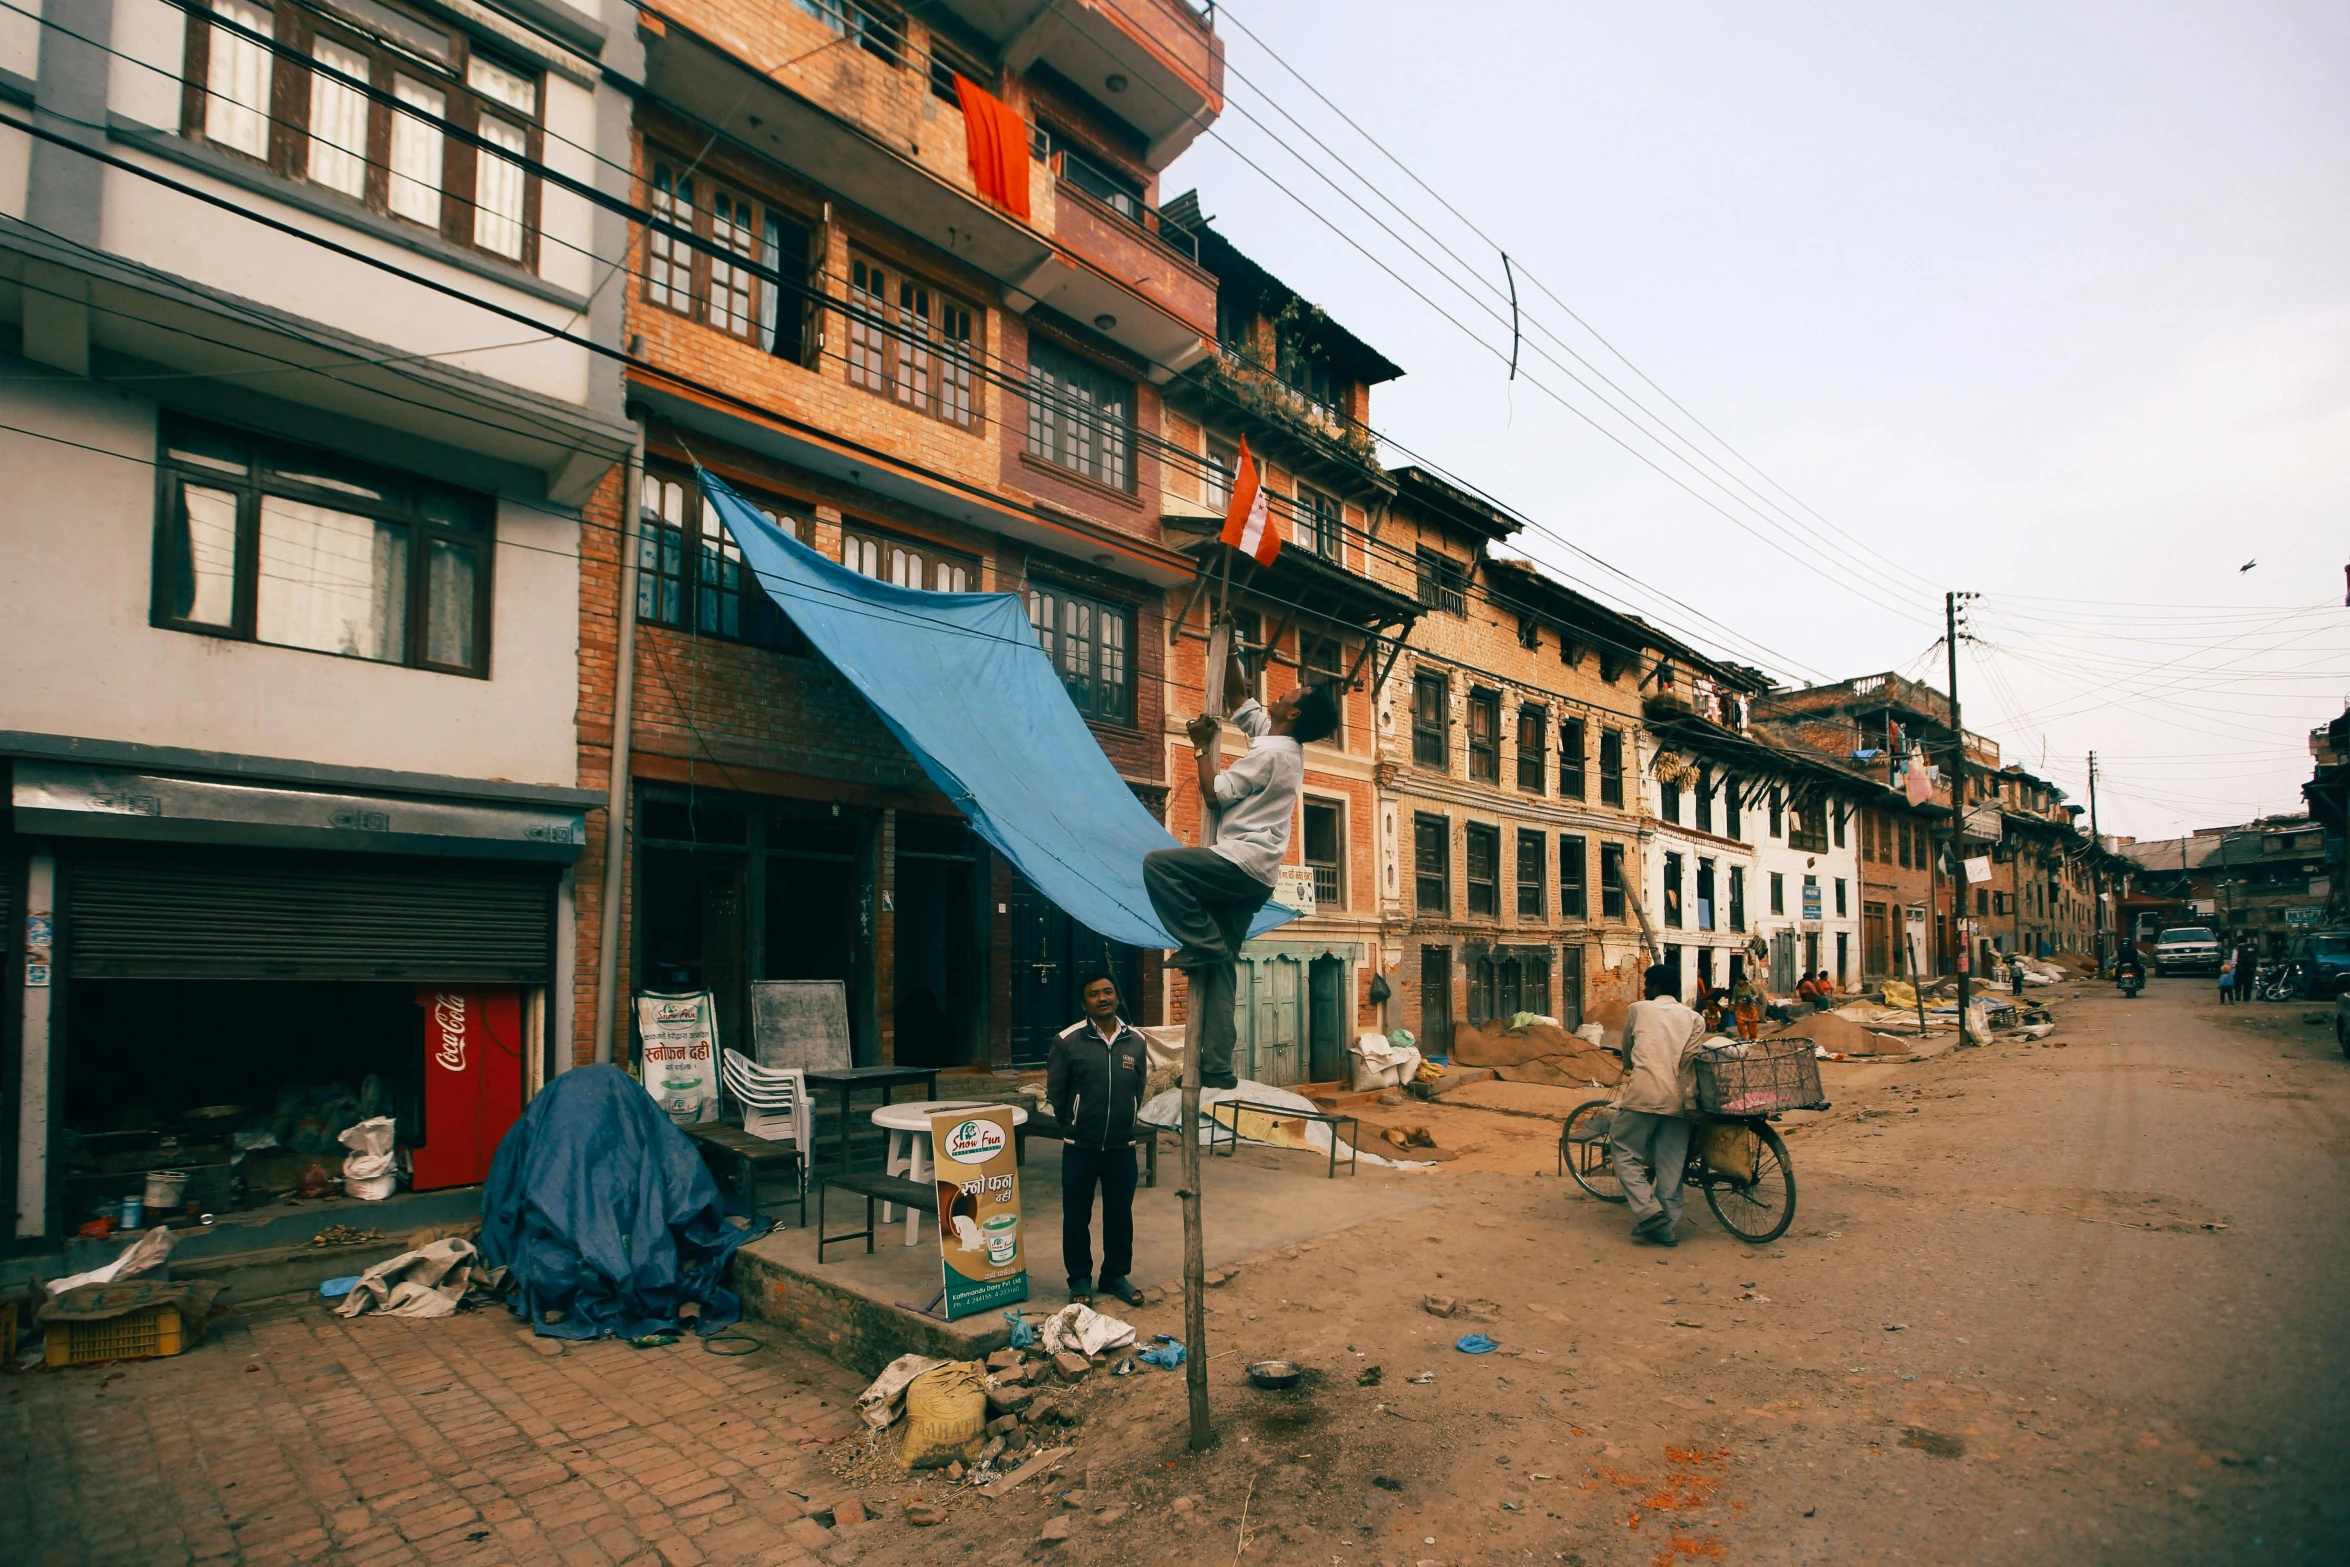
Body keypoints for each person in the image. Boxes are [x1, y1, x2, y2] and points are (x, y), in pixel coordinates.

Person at [1144, 647, 1338, 1090]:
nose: (1284, 690)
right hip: (1257, 875)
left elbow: (1214, 794)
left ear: (1294, 712)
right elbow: (1237, 696)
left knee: (1160, 867)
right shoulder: (1275, 737)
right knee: (1221, 974)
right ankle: (1216, 1067)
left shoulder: (1273, 756)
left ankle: (1203, 942)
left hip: (1241, 862)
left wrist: (1199, 747)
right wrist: (1229, 646)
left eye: (1292, 691)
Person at [1046, 972, 1152, 1307]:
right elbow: (1057, 1092)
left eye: (1108, 991)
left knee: (1120, 1214)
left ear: (1116, 997)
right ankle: (1079, 1279)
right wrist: (1072, 1124)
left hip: (1122, 1146)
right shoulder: (1068, 1041)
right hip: (1081, 1148)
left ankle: (1115, 1276)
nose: (1102, 998)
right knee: (1076, 1216)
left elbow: (1139, 1086)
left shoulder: (1135, 1041)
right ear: (1084, 1003)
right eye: (1094, 994)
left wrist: (1126, 1118)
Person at [1607, 965, 1711, 1247]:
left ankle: (1648, 1211)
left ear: (1653, 987)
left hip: (1644, 1094)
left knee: (1624, 1150)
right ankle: (1667, 1228)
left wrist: (1632, 1063)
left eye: (1646, 984)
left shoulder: (1639, 1009)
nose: (1643, 989)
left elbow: (1628, 1051)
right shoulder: (1694, 1018)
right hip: (1681, 1100)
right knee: (1671, 1166)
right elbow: (1689, 1061)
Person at [1729, 973, 1765, 1041]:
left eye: (1739, 980)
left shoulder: (1750, 986)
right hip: (1740, 1006)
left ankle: (1753, 1037)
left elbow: (1756, 994)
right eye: (1737, 980)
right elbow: (1734, 997)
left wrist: (1752, 998)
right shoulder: (1736, 987)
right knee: (1739, 1020)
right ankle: (1743, 1036)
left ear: (1744, 980)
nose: (1738, 982)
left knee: (1752, 1022)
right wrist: (1732, 1004)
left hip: (1750, 1005)